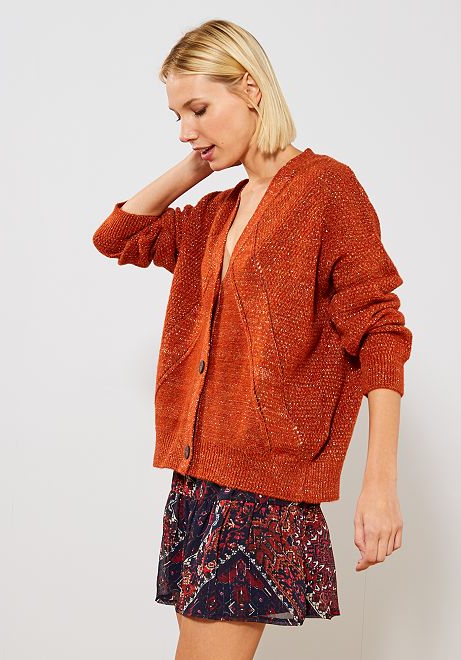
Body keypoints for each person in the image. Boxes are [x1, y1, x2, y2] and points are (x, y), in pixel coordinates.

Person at [92, 18, 413, 660]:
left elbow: (380, 331)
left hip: (262, 482)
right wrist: (198, 162)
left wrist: (379, 483)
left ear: (251, 89)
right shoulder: (218, 212)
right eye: (177, 116)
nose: (185, 130)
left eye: (198, 109)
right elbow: (116, 237)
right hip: (198, 474)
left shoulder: (326, 190)